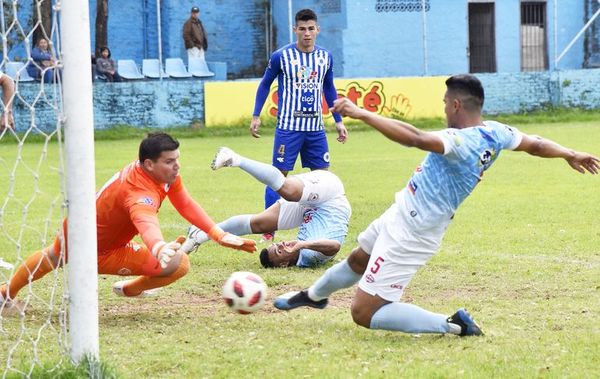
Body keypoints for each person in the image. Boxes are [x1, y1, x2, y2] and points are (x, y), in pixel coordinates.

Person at [273, 74, 599, 337]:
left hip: (414, 232)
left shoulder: (460, 141)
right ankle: (313, 297)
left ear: (456, 104)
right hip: (402, 211)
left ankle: (452, 324)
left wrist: (362, 113)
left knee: (363, 313)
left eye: (445, 103)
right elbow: (536, 144)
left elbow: (414, 137)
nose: (444, 109)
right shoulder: (496, 132)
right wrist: (570, 153)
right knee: (358, 259)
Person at [0, 133, 256, 311]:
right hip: (95, 249)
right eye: (169, 161)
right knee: (178, 264)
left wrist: (217, 234)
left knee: (54, 255)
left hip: (78, 227)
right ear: (149, 164)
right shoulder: (138, 192)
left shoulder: (158, 174)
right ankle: (5, 294)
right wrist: (158, 247)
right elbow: (145, 220)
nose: (177, 166)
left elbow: (185, 203)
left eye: (177, 159)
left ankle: (130, 289)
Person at [250, 8, 348, 242]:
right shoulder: (281, 56)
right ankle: (268, 228)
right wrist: (256, 115)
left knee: (321, 178)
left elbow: (329, 88)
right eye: (302, 29)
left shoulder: (325, 57)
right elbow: (265, 84)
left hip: (315, 130)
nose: (307, 33)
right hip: (288, 128)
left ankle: (317, 225)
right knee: (279, 176)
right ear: (295, 30)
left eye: (311, 29)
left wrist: (338, 121)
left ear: (317, 30)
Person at [181, 147, 352, 268]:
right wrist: (302, 245)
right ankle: (234, 158)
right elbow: (334, 246)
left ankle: (201, 233)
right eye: (279, 250)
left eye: (277, 246)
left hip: (311, 210)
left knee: (259, 224)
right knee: (289, 191)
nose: (282, 244)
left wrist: (300, 245)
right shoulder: (309, 256)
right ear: (285, 264)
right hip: (331, 198)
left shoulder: (301, 257)